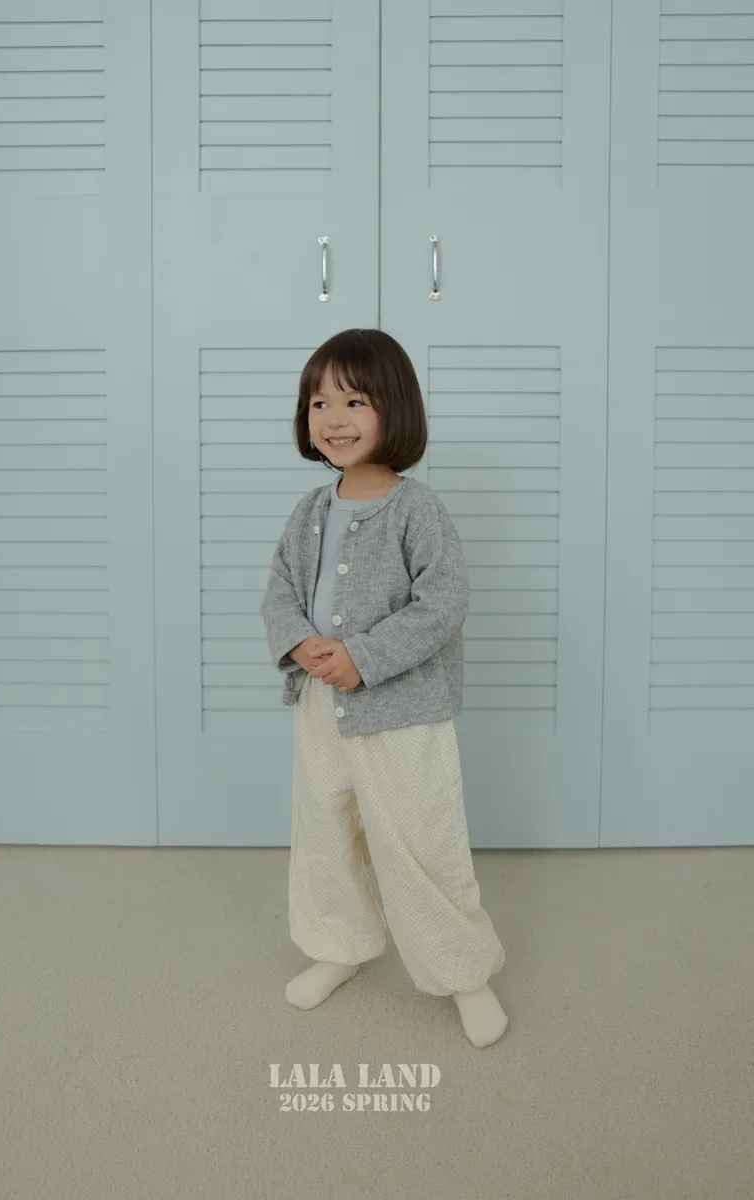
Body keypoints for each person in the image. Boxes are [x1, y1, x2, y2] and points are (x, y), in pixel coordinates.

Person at [259, 329, 507, 1048]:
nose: (334, 419)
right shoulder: (309, 512)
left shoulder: (416, 511)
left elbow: (443, 603)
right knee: (326, 833)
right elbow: (279, 591)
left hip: (402, 715)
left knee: (421, 844)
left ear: (394, 409)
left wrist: (362, 657)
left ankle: (465, 972)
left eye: (354, 401)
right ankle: (339, 946)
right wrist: (299, 643)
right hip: (320, 708)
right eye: (319, 403)